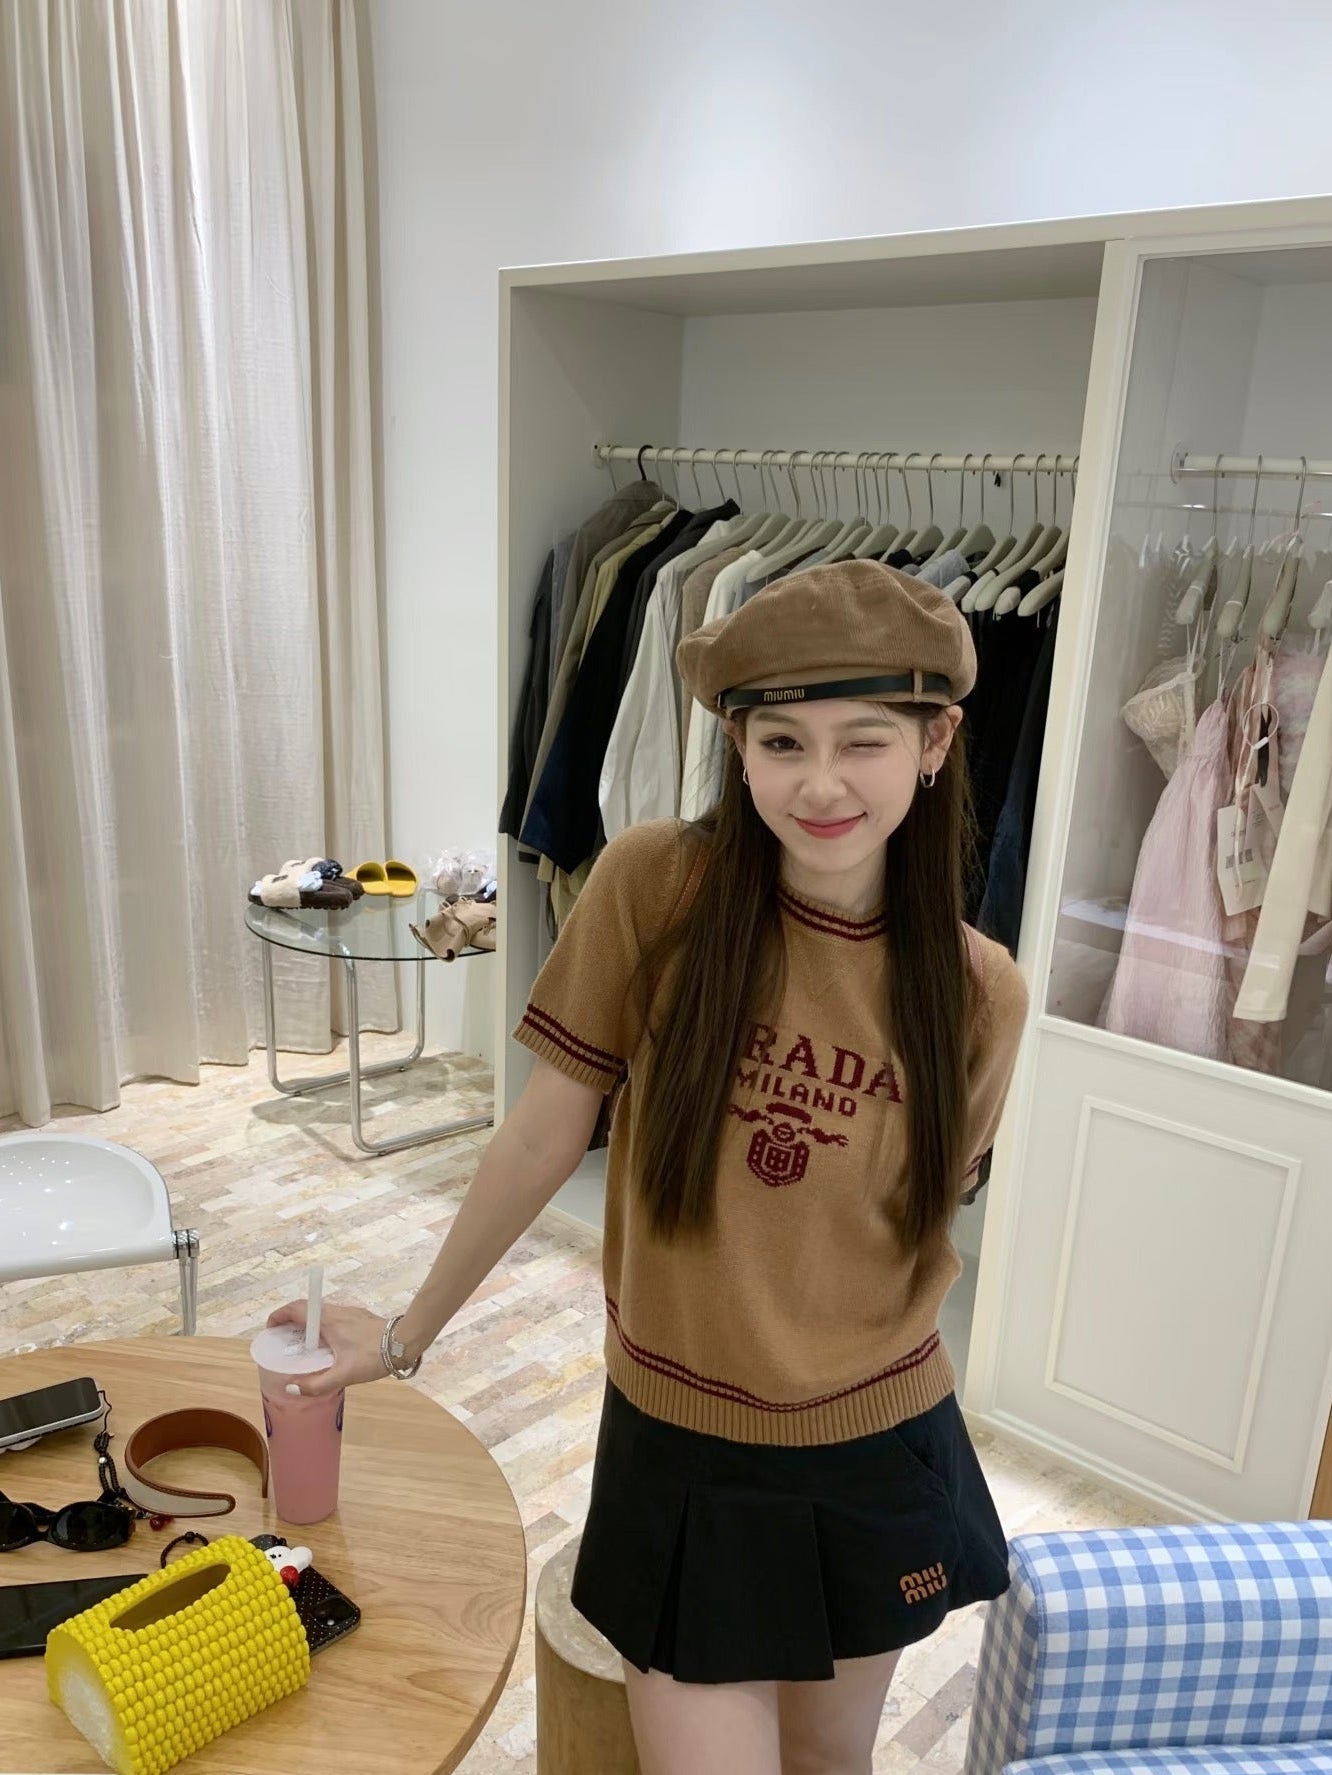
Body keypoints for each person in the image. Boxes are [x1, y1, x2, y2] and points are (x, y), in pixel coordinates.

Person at [270, 560, 1029, 1775]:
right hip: (684, 1442)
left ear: (935, 742)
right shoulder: (656, 886)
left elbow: (910, 1223)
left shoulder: (982, 991)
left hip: (875, 1444)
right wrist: (407, 1335)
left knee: (830, 1764)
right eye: (782, 743)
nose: (820, 783)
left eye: (865, 740)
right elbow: (540, 1134)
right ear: (737, 747)